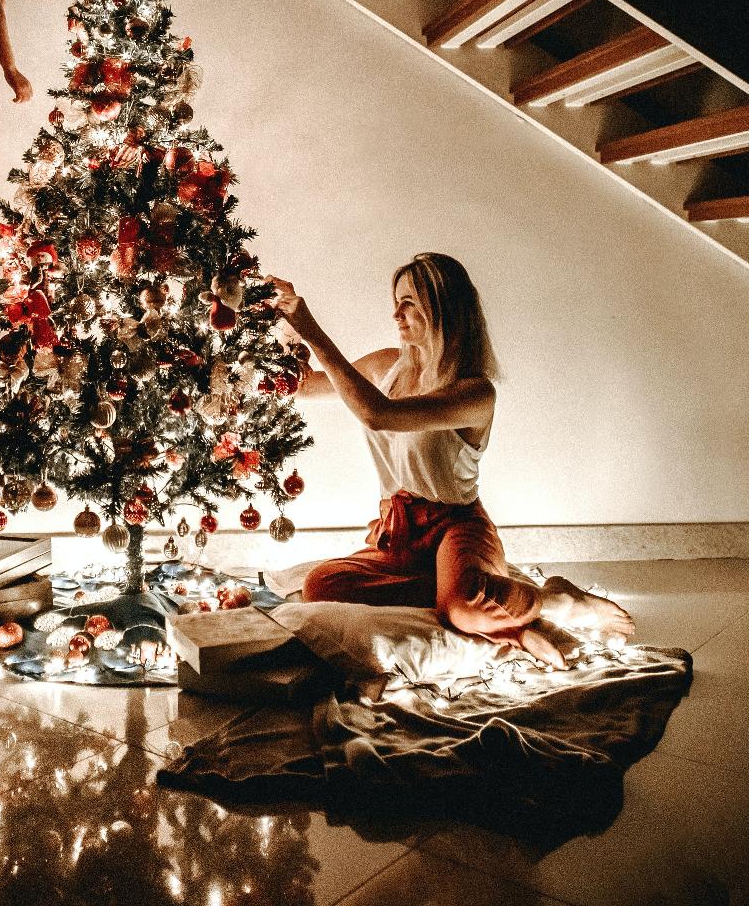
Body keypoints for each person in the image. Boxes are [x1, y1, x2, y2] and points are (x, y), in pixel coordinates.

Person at [268, 253, 634, 669]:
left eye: (409, 303)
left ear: (442, 309)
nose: (396, 314)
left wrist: (311, 327)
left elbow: (378, 414)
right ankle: (504, 614)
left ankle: (554, 600)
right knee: (322, 584)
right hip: (399, 529)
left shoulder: (474, 393)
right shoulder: (386, 365)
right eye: (396, 301)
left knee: (462, 607)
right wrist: (285, 327)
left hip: (456, 527)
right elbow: (301, 388)